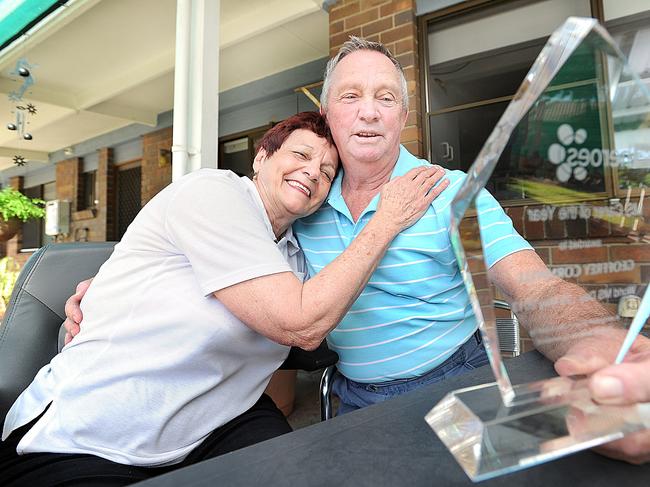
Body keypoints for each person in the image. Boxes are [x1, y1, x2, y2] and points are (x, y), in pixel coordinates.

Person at [65, 38, 650, 463]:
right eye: (351, 96)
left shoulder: (449, 192)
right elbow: (231, 263)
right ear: (328, 115)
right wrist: (110, 296)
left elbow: (534, 286)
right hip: (354, 399)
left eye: (385, 97)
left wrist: (598, 340)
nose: (369, 110)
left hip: (459, 381)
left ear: (402, 114)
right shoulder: (303, 203)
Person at [0, 111, 449, 486]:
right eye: (301, 154)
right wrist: (386, 221)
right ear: (261, 156)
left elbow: (331, 303)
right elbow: (300, 323)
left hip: (210, 425)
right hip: (84, 437)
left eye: (328, 172)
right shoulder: (212, 192)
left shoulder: (295, 251)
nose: (313, 172)